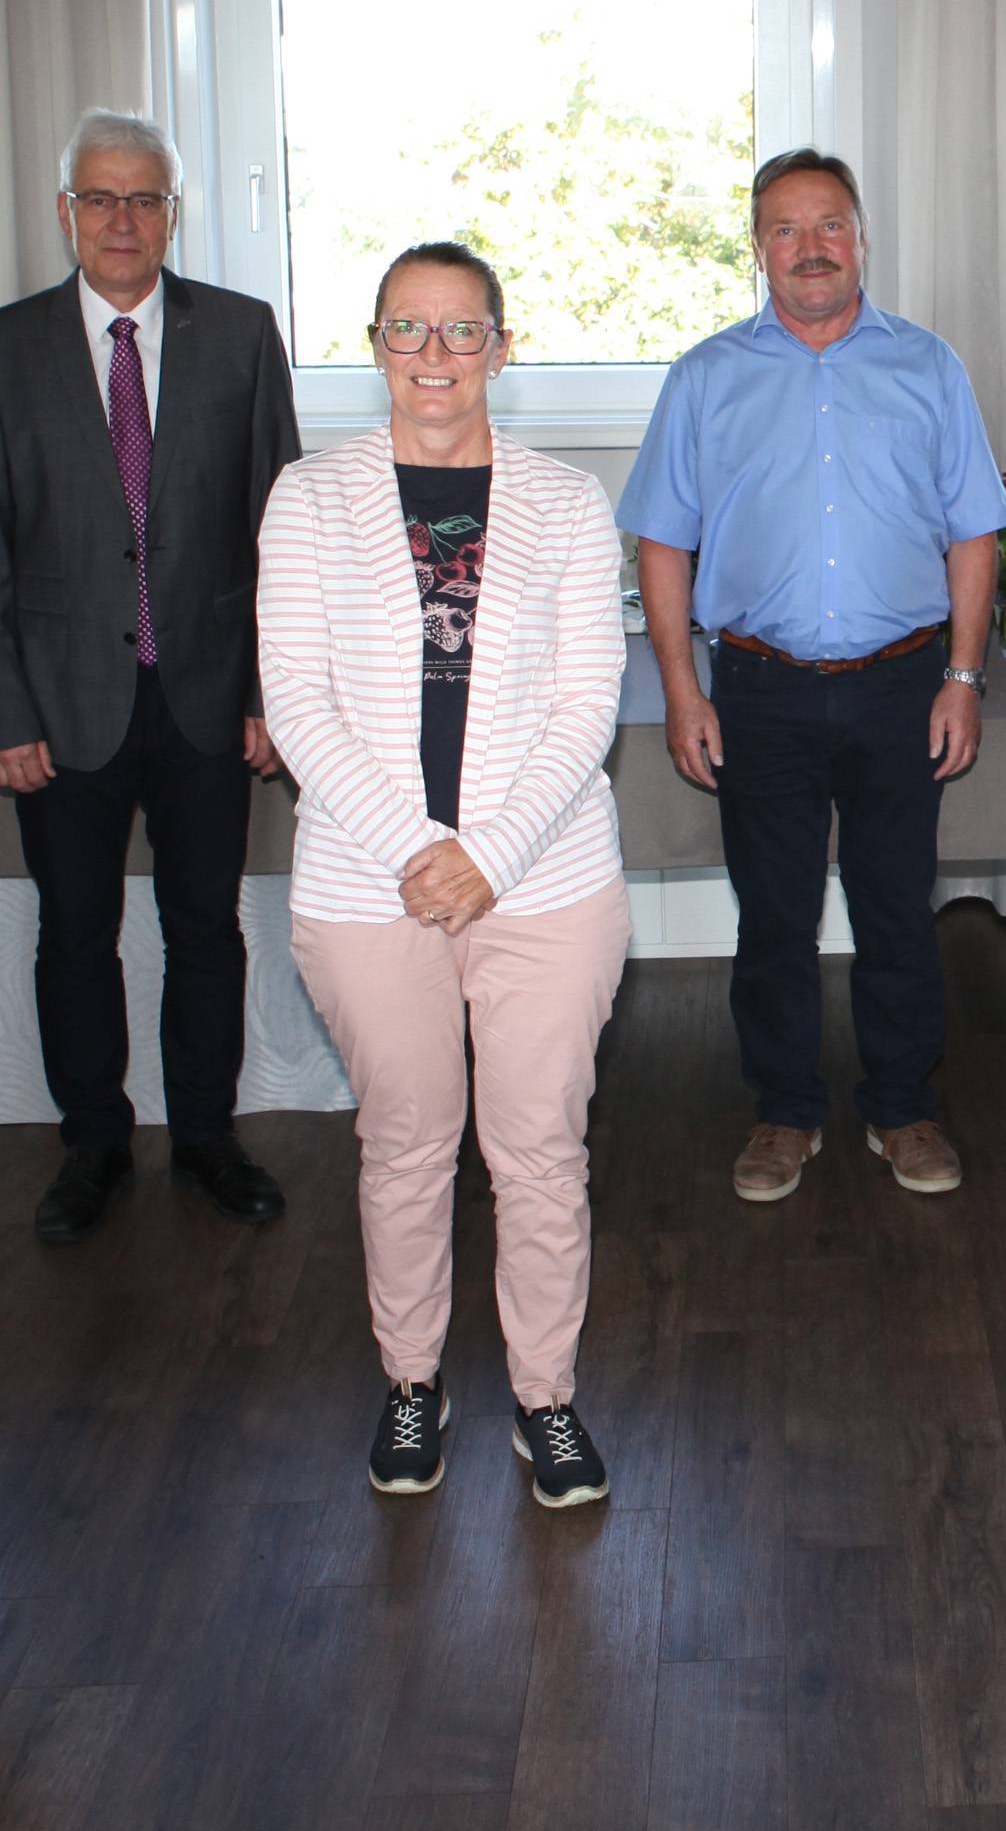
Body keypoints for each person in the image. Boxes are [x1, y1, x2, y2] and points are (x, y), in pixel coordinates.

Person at [260, 242, 633, 1506]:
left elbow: (590, 703)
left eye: (460, 331)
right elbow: (297, 706)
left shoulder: (570, 504)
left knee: (538, 1151)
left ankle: (548, 1399)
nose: (433, 357)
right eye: (408, 331)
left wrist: (486, 858)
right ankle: (414, 1382)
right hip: (369, 887)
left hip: (549, 881)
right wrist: (420, 854)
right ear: (374, 346)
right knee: (408, 1146)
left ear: (502, 347)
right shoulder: (306, 500)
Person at [620, 148, 1006, 1203]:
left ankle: (900, 1107)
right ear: (758, 248)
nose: (810, 248)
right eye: (786, 230)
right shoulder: (706, 376)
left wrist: (964, 679)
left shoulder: (929, 366)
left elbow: (975, 533)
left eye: (829, 225)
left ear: (862, 238)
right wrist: (681, 687)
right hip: (760, 690)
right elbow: (663, 541)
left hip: (902, 687)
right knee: (775, 916)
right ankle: (785, 1112)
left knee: (896, 910)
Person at [0, 107, 302, 1243]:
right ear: (65, 213)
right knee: (75, 933)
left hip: (206, 696)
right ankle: (92, 1142)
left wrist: (270, 692)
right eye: (98, 198)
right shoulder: (1, 348)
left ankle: (206, 1133)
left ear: (172, 213)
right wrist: (1, 710)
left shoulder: (243, 334)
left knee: (207, 928)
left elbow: (277, 528)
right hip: (60, 709)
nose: (121, 219)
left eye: (144, 198)